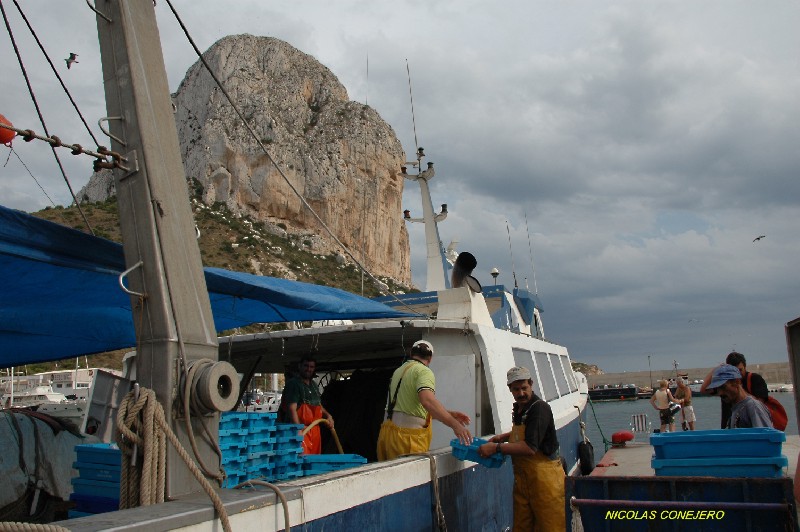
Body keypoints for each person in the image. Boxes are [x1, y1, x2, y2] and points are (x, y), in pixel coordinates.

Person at [477, 366, 565, 531]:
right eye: (516, 389)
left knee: (551, 526)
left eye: (524, 388)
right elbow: (527, 431)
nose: (521, 393)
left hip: (546, 480)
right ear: (510, 389)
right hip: (523, 481)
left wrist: (496, 447)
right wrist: (503, 437)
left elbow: (530, 447)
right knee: (522, 526)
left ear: (531, 384)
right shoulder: (520, 408)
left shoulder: (539, 408)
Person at [376, 340, 472, 461]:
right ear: (430, 358)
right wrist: (455, 425)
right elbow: (427, 401)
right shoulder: (424, 371)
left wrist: (450, 414)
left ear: (411, 353)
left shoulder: (399, 371)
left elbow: (408, 410)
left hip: (387, 435)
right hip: (407, 439)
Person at [280, 356, 334, 454]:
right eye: (306, 366)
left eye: (311, 367)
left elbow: (318, 405)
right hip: (301, 430)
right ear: (299, 366)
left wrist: (328, 415)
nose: (308, 369)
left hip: (314, 431)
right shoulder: (294, 384)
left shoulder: (313, 385)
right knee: (301, 461)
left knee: (314, 461)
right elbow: (292, 408)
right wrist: (298, 429)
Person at [701, 351, 769, 429]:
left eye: (723, 387)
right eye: (718, 388)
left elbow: (763, 436)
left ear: (737, 382)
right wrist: (719, 368)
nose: (720, 393)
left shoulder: (753, 406)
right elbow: (704, 389)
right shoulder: (735, 410)